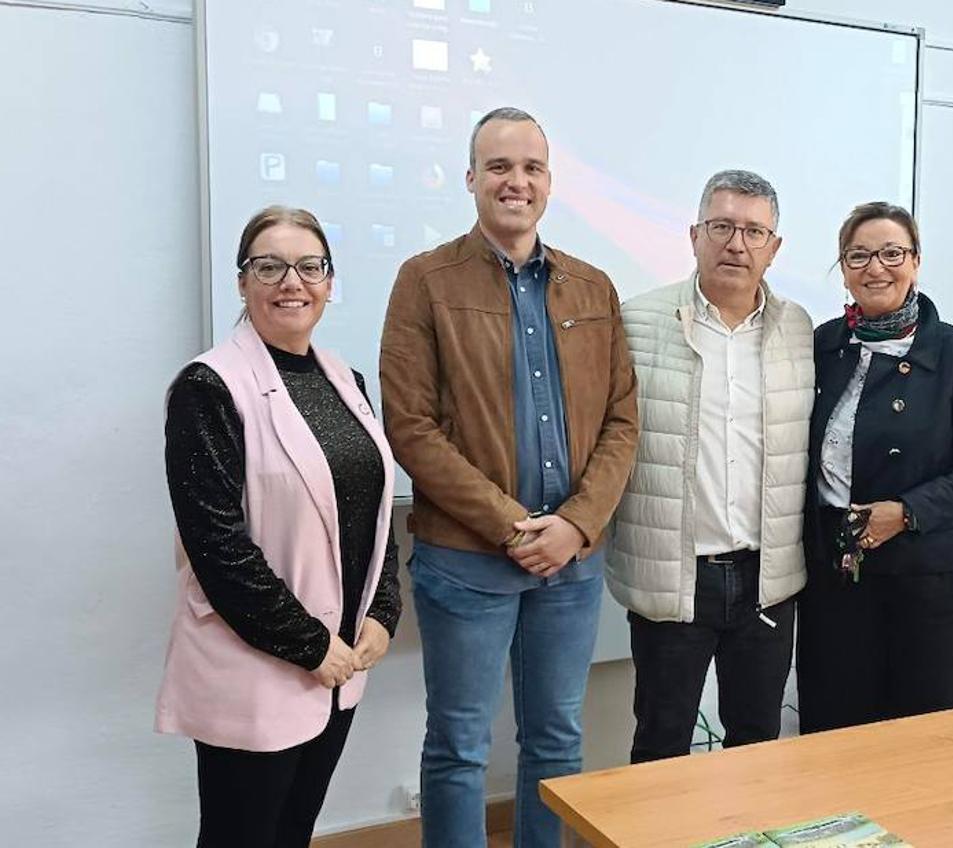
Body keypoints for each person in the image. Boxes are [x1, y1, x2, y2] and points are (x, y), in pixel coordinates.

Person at [380, 107, 638, 847]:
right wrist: (512, 527)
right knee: (458, 746)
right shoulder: (425, 281)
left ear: (549, 182)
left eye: (530, 167)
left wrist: (576, 526)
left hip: (572, 566)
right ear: (471, 178)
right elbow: (411, 426)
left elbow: (622, 419)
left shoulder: (592, 287)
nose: (515, 181)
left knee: (556, 743)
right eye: (498, 166)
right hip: (466, 561)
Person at [156, 206, 402, 847]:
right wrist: (311, 645)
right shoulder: (208, 387)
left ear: (329, 281)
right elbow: (217, 547)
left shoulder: (345, 380)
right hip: (258, 666)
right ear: (243, 282)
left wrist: (383, 609)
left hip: (338, 665)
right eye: (269, 267)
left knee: (294, 831)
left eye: (309, 267)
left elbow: (371, 507)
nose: (292, 282)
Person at [607, 170, 814, 763]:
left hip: (767, 579)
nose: (736, 244)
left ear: (774, 247)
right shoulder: (636, 322)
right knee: (661, 743)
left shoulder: (798, 329)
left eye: (754, 231)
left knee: (757, 744)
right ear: (694, 235)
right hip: (674, 578)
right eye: (722, 226)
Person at [797, 201, 953, 733]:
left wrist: (906, 512)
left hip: (932, 578)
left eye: (891, 253)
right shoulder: (824, 345)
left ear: (915, 261)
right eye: (858, 255)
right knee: (833, 734)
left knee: (923, 744)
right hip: (837, 577)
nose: (875, 268)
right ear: (843, 268)